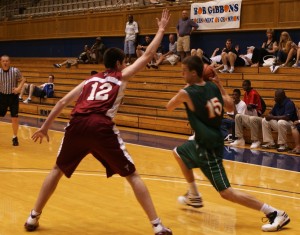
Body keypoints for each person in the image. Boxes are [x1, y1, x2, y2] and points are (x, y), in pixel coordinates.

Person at [24, 9, 172, 235]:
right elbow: (147, 55)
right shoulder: (121, 76)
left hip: (76, 124)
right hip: (100, 125)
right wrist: (161, 30)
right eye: (124, 62)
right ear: (120, 63)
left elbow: (63, 101)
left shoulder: (89, 79)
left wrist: (45, 127)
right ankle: (157, 226)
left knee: (56, 170)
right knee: (132, 175)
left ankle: (33, 217)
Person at [166, 55, 290, 232]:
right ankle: (194, 195)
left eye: (184, 71)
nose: (181, 74)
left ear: (194, 73)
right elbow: (231, 107)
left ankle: (275, 212)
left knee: (226, 193)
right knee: (178, 152)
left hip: (208, 146)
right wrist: (220, 84)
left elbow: (169, 106)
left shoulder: (187, 92)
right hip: (208, 140)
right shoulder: (212, 86)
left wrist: (187, 88)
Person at [0, 55, 26, 146]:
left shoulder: (15, 71)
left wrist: (19, 88)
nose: (5, 63)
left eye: (7, 61)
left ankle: (15, 137)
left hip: (13, 97)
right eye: (3, 61)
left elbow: (23, 79)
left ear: (9, 62)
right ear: (1, 62)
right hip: (2, 97)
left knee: (14, 118)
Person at [230, 80, 263, 148]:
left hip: (257, 114)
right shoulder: (245, 94)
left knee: (250, 113)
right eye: (243, 85)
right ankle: (240, 139)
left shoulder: (253, 93)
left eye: (245, 85)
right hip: (250, 115)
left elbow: (250, 107)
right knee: (238, 116)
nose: (243, 87)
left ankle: (256, 141)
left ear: (249, 85)